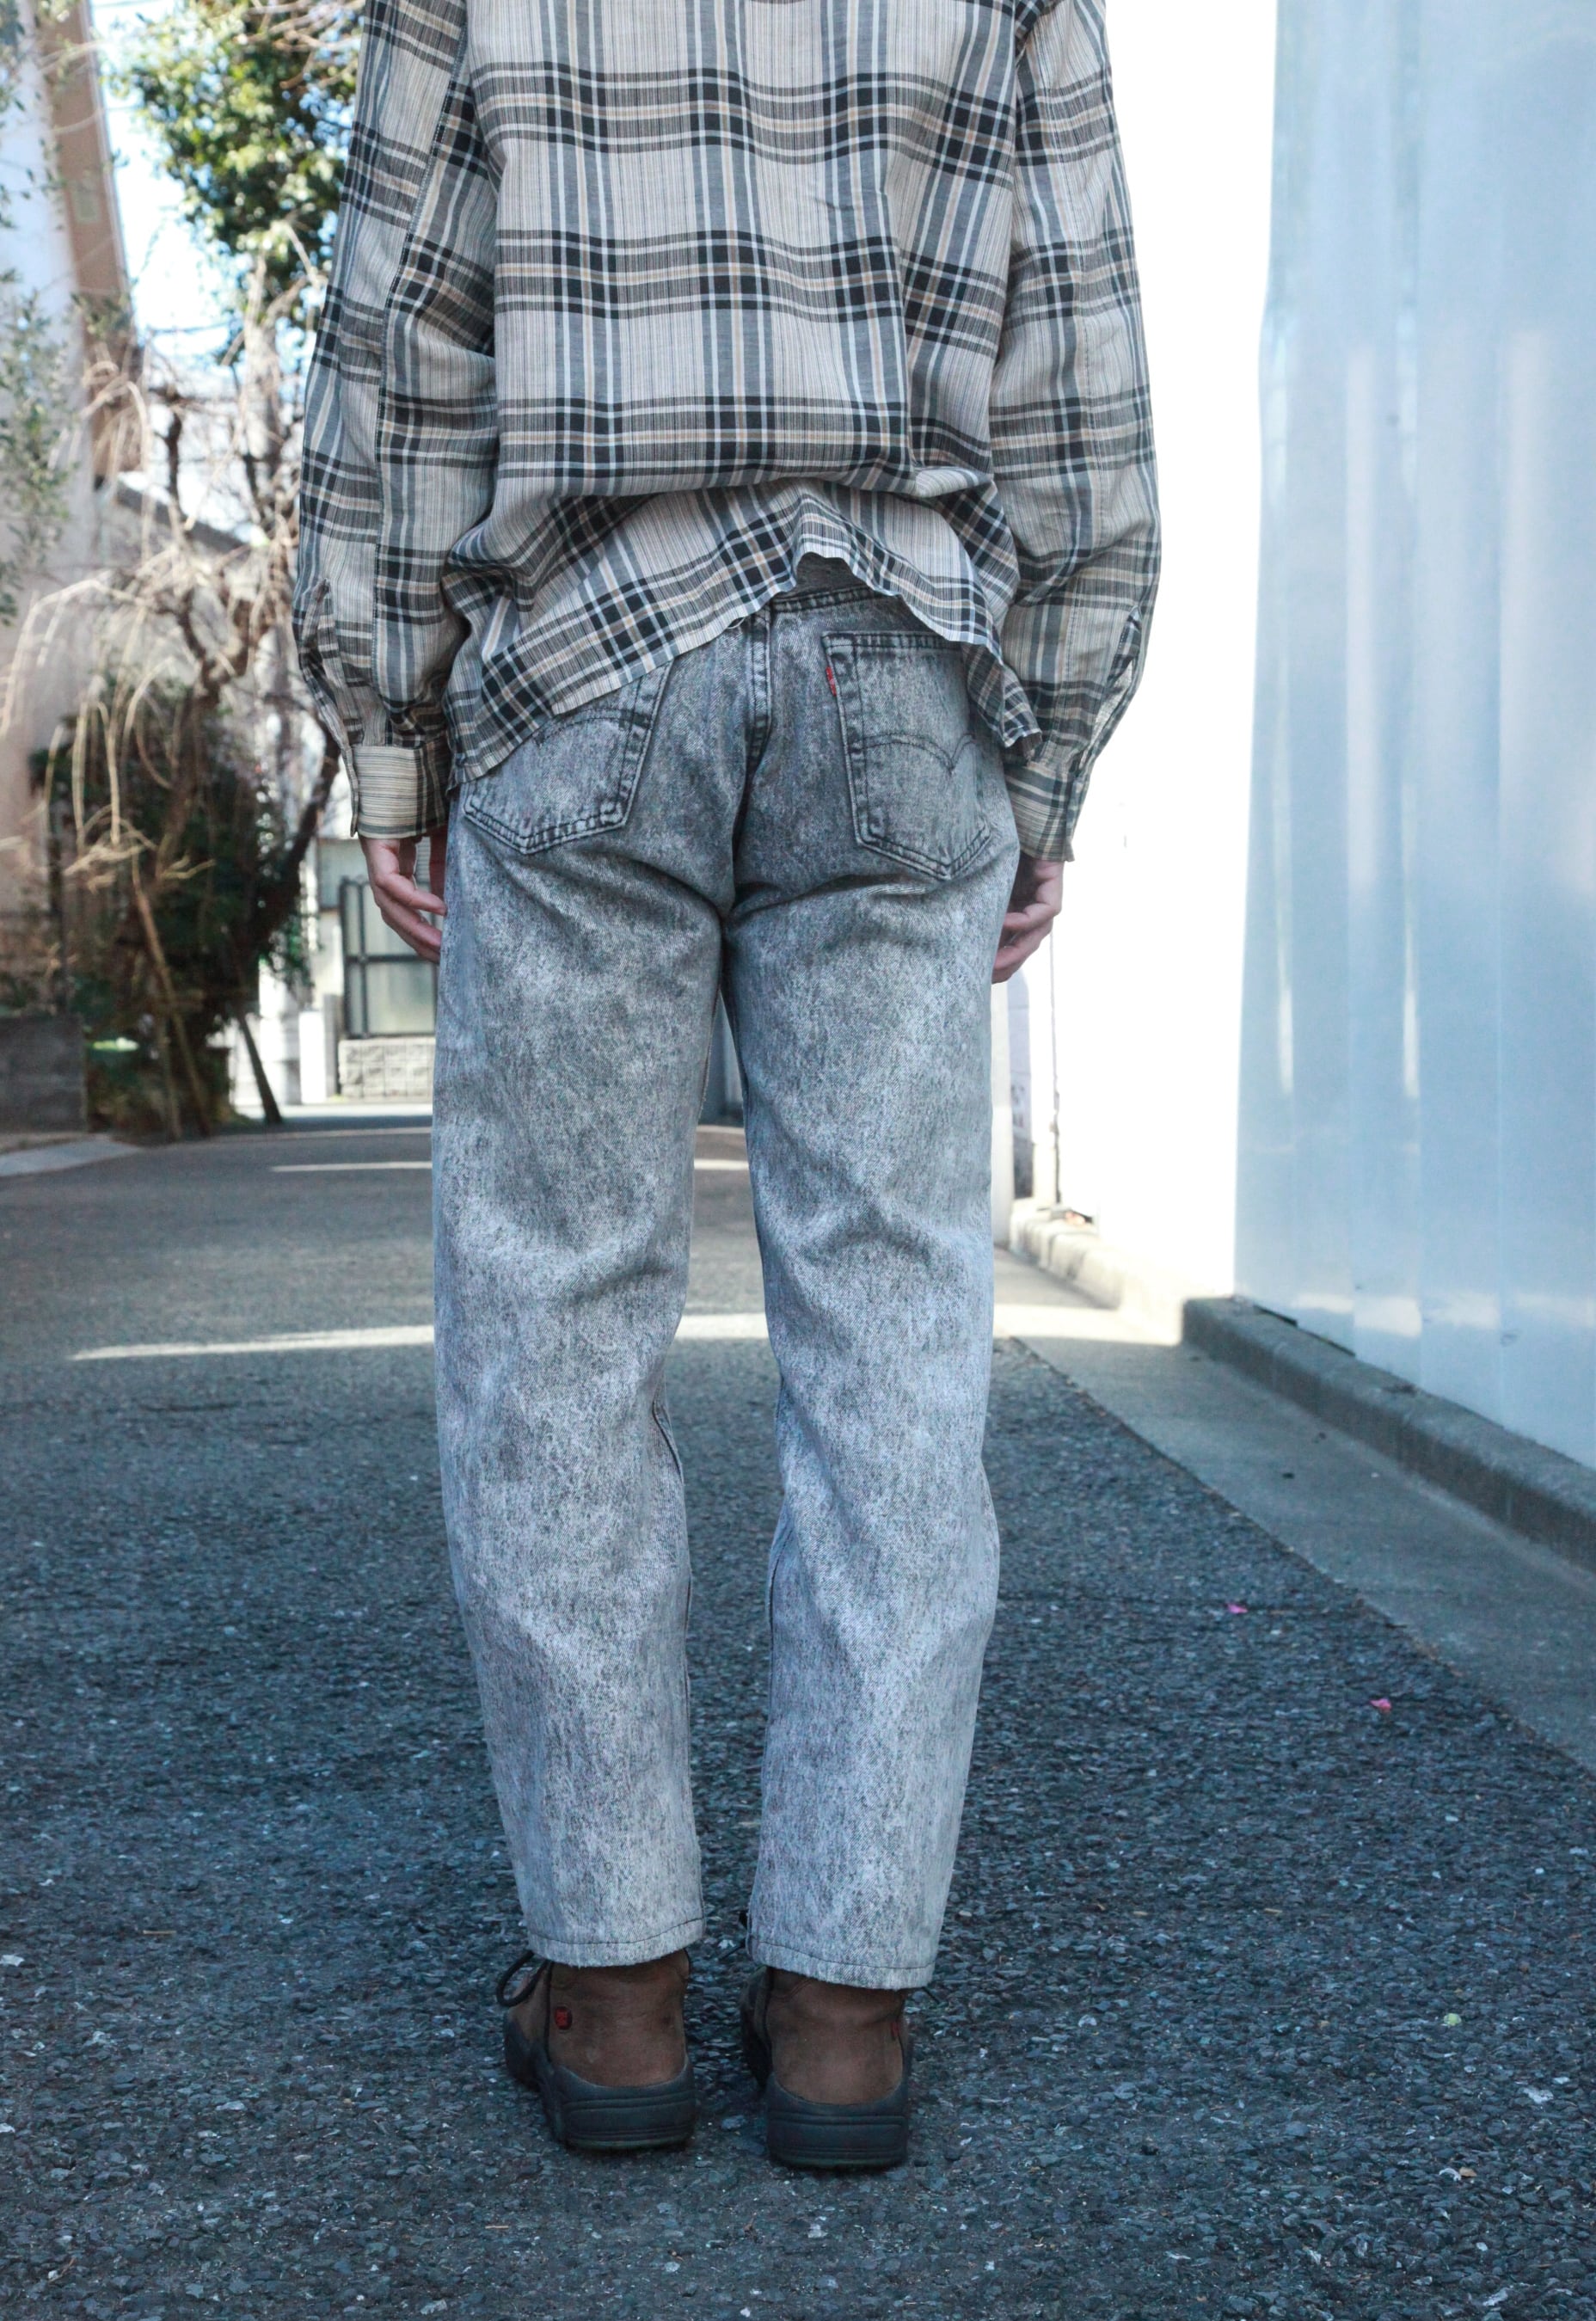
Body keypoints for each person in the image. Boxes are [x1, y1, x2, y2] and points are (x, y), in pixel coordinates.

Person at [294, 0, 1157, 2171]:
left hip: (584, 663)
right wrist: (1048, 751)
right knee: (893, 1334)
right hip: (905, 666)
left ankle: (610, 1999)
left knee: (555, 1314)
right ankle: (846, 2011)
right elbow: (1078, 373)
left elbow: (399, 336)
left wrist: (391, 728)